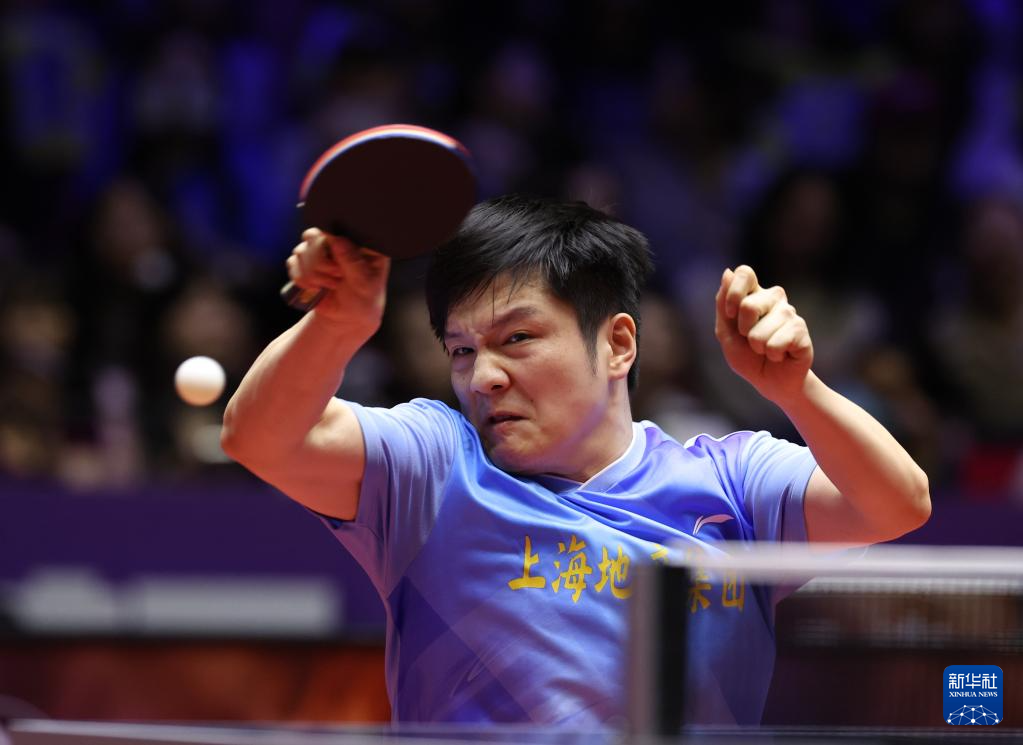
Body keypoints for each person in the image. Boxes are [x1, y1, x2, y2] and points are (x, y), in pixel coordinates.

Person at [221, 195, 930, 726]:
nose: (482, 376)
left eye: (517, 338)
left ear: (618, 344)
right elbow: (261, 439)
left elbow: (895, 504)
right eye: (461, 350)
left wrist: (796, 390)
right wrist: (335, 324)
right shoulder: (432, 469)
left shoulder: (732, 481)